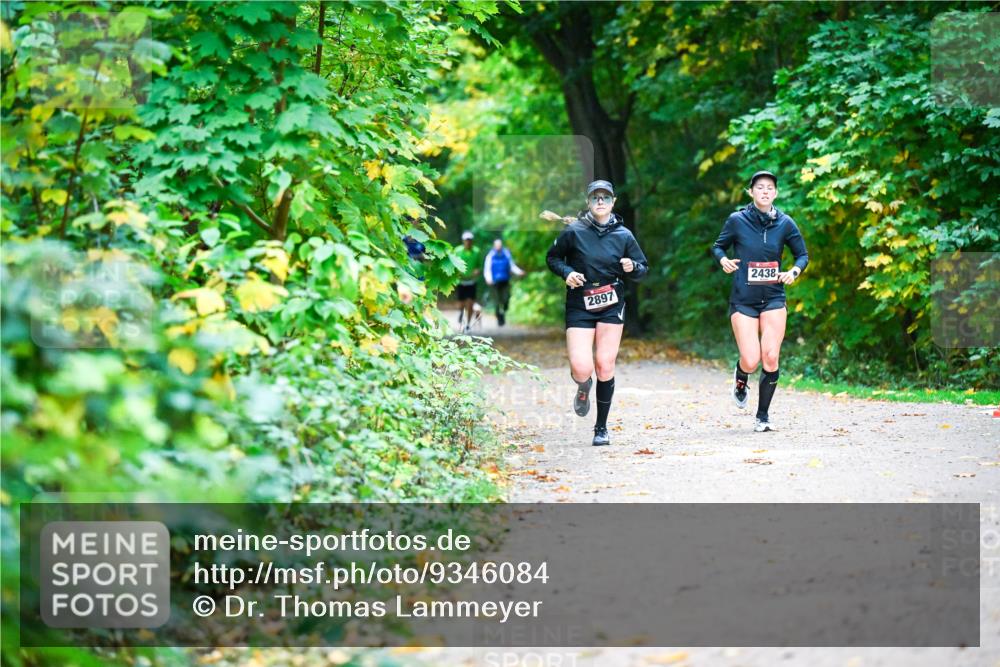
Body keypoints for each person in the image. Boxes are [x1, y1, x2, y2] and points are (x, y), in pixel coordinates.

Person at [546, 180, 648, 446]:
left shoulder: (624, 235)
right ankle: (583, 385)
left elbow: (642, 268)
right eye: (595, 197)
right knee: (582, 368)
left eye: (605, 197)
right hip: (580, 303)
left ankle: (601, 428)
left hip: (611, 303)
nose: (600, 201)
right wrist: (567, 273)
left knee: (605, 364)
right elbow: (553, 258)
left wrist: (632, 266)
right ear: (588, 202)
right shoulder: (574, 231)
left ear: (613, 202)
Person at [711, 170, 808, 432]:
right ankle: (741, 375)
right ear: (751, 192)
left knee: (771, 357)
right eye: (760, 187)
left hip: (774, 296)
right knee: (751, 359)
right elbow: (718, 246)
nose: (765, 191)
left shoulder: (785, 223)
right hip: (744, 299)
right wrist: (723, 260)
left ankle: (762, 417)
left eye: (769, 188)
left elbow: (802, 255)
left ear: (776, 193)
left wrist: (793, 272)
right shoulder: (737, 220)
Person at [483, 238, 524, 327]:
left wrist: (519, 272)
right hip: (494, 282)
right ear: (494, 246)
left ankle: (503, 312)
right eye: (497, 245)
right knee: (497, 301)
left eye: (500, 245)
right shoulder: (490, 256)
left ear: (501, 246)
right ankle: (499, 318)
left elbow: (512, 266)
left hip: (505, 280)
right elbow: (487, 269)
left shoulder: (506, 254)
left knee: (506, 299)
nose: (498, 247)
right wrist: (488, 278)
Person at [455, 231, 481, 333]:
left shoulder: (477, 251)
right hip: (460, 281)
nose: (468, 242)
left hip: (471, 281)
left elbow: (479, 266)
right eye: (466, 240)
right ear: (463, 241)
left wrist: (477, 271)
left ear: (472, 241)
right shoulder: (457, 251)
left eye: (470, 240)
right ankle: (461, 312)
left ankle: (468, 324)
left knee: (470, 303)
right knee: (461, 303)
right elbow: (453, 263)